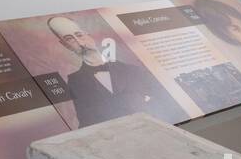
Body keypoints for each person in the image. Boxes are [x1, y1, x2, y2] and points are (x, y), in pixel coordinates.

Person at [47, 15, 180, 128]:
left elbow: (166, 95)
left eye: (79, 35)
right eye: (70, 39)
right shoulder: (75, 81)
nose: (80, 43)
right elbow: (86, 122)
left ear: (88, 35)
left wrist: (145, 109)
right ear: (64, 45)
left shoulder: (130, 69)